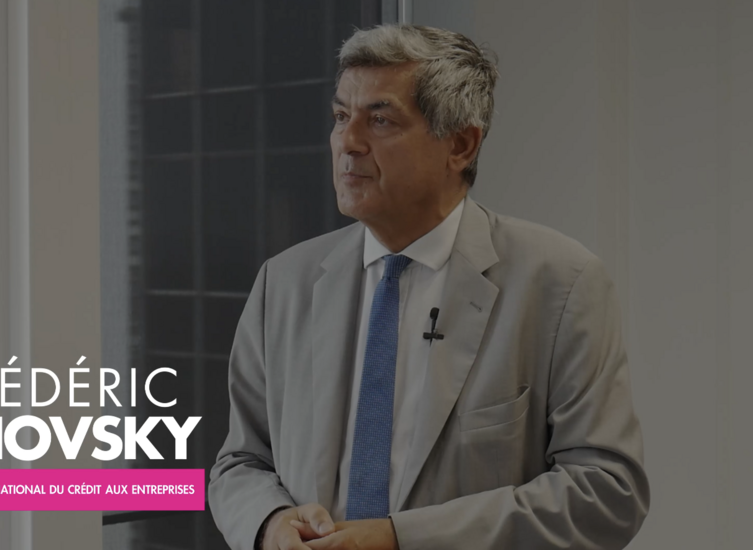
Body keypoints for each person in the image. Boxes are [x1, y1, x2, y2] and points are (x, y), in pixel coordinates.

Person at [208, 24, 649, 550]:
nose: (348, 142)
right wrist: (270, 523)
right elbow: (240, 462)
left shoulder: (560, 283)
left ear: (460, 144)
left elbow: (606, 492)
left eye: (380, 120)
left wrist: (401, 539)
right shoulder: (284, 282)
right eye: (341, 117)